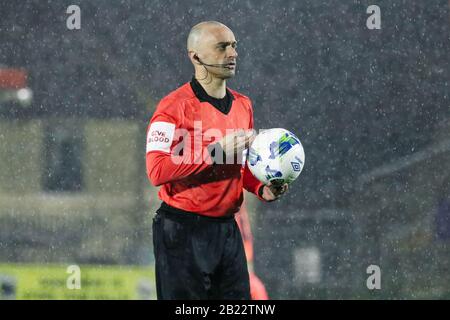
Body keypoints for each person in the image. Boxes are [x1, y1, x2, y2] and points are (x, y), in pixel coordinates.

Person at [146, 21, 288, 300]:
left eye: (234, 46)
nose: (232, 53)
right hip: (182, 229)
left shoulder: (243, 105)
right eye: (222, 47)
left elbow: (239, 166)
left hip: (226, 228)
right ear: (195, 56)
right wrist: (213, 153)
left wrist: (261, 187)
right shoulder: (172, 107)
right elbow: (157, 169)